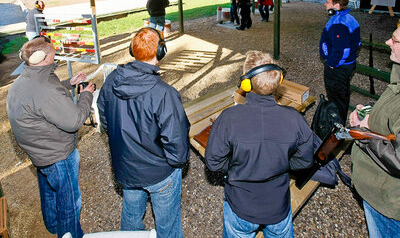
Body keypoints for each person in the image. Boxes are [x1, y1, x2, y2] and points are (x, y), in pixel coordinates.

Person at [205, 50, 314, 238]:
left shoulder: (229, 118)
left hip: (240, 206)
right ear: (278, 81)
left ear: (246, 84)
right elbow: (305, 161)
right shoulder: (295, 119)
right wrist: (281, 163)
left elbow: (214, 162)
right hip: (278, 207)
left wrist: (236, 167)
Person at [97, 27, 190, 238]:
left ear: (132, 50)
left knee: (131, 214)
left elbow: (105, 120)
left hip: (126, 166)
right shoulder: (165, 94)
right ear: (161, 52)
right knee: (168, 224)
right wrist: (176, 163)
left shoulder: (111, 81)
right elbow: (176, 140)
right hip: (159, 172)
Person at [7, 36, 95, 238]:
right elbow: (73, 121)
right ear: (44, 58)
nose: (55, 53)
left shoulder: (26, 79)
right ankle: (69, 233)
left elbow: (44, 98)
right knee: (70, 201)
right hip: (57, 155)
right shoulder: (45, 89)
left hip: (39, 152)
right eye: (53, 52)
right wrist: (86, 95)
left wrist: (69, 83)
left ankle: (52, 224)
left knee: (48, 188)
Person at [349, 25, 400, 238]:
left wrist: (364, 132)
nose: (388, 42)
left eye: (395, 40)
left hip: (387, 201)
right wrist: (373, 111)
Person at [319, 0, 361, 123]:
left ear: (336, 6)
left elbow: (342, 50)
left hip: (338, 68)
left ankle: (336, 127)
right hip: (346, 66)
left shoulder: (339, 24)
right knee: (341, 95)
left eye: (328, 2)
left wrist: (332, 64)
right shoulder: (348, 18)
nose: (325, 4)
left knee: (336, 98)